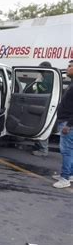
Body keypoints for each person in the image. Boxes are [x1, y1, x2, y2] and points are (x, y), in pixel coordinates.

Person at [52, 60, 73, 189]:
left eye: (71, 66)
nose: (68, 68)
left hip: (67, 123)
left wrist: (69, 125)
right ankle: (69, 174)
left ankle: (65, 178)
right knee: (69, 150)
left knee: (66, 151)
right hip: (66, 121)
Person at [31, 61, 54, 156]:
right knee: (39, 125)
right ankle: (38, 146)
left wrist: (37, 83)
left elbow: (42, 89)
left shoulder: (49, 78)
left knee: (42, 126)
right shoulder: (47, 77)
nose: (39, 69)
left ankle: (43, 150)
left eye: (41, 67)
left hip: (46, 105)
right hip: (44, 104)